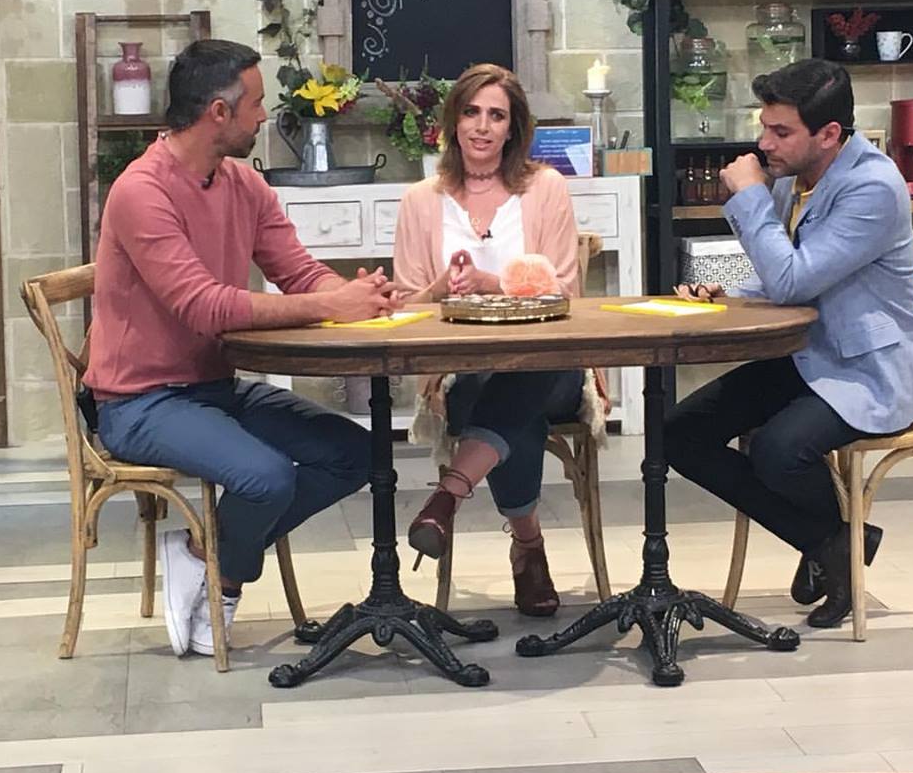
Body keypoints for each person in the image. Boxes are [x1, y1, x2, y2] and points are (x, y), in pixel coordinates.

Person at [83, 39, 399, 658]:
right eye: (255, 104)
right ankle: (224, 586)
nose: (263, 116)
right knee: (265, 478)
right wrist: (329, 307)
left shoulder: (242, 183)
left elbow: (299, 272)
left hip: (214, 389)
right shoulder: (141, 191)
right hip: (138, 402)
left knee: (359, 454)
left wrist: (353, 295)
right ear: (219, 113)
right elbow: (203, 306)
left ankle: (204, 549)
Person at [664, 59, 913, 628]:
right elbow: (788, 272)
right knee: (677, 434)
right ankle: (833, 543)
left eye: (781, 131)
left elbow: (794, 280)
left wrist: (749, 198)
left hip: (872, 367)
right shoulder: (796, 176)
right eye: (764, 126)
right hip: (809, 354)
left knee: (778, 450)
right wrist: (728, 292)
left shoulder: (873, 187)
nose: (764, 143)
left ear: (829, 133)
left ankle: (831, 552)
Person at [393, 63, 607, 617]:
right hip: (463, 372)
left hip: (552, 365)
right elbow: (406, 308)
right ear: (453, 121)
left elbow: (564, 290)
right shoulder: (421, 200)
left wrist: (493, 283)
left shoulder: (545, 188)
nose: (482, 127)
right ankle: (528, 546)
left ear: (514, 128)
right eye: (471, 112)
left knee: (524, 376)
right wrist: (444, 288)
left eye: (496, 115)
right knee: (505, 404)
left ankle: (448, 496)